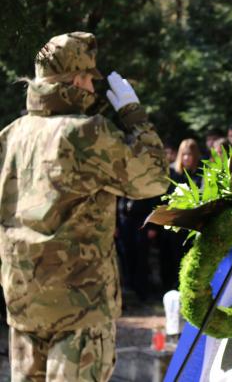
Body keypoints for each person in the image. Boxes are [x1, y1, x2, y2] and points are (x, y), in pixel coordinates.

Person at [0, 32, 169, 381]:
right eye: (90, 80)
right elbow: (152, 178)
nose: (93, 89)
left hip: (23, 299)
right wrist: (133, 114)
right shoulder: (87, 133)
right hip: (81, 302)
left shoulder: (12, 134)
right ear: (76, 79)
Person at [160, 138, 202, 291]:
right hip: (175, 224)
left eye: (189, 154)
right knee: (174, 258)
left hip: (193, 224)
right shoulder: (172, 172)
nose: (186, 158)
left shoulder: (201, 172)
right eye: (183, 154)